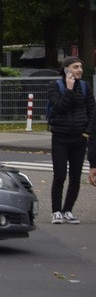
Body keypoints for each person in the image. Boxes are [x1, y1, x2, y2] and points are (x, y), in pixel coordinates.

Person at [48, 56, 92, 224]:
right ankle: (56, 211)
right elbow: (59, 107)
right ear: (66, 70)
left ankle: (68, 210)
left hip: (79, 138)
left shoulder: (86, 86)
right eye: (75, 67)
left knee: (75, 177)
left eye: (80, 66)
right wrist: (69, 88)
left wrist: (87, 132)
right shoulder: (54, 86)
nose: (80, 70)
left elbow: (91, 109)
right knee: (59, 175)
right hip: (60, 137)